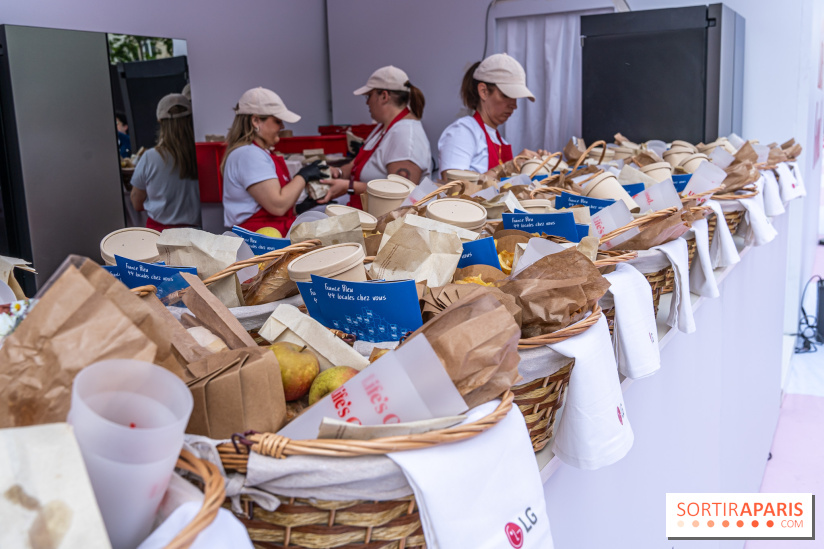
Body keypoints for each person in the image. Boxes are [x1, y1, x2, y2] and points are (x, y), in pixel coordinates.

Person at [318, 66, 431, 209]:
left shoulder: (406, 136)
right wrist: (338, 172)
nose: (367, 103)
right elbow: (354, 165)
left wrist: (349, 187)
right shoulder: (382, 128)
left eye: (369, 96)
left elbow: (400, 193)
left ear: (384, 96)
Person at [221, 87, 329, 234]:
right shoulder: (248, 154)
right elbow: (277, 205)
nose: (282, 127)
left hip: (271, 232)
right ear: (256, 121)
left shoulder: (259, 153)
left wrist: (299, 208)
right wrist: (303, 176)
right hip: (260, 238)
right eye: (278, 121)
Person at [438, 53, 547, 177]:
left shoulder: (499, 140)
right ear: (483, 91)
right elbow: (454, 186)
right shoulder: (463, 132)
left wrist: (531, 166)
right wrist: (509, 167)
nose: (514, 105)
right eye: (506, 95)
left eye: (516, 97)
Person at [130, 94, 201, 231]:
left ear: (160, 121)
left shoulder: (150, 157)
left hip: (158, 236)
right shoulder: (201, 155)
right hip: (196, 235)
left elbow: (136, 203)